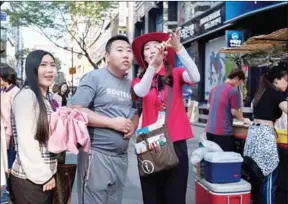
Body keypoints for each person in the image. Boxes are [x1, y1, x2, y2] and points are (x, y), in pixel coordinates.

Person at [132, 28, 200, 204]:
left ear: (164, 51)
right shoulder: (139, 79)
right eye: (147, 48)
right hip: (150, 144)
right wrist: (153, 67)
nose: (152, 49)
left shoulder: (176, 73)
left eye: (156, 45)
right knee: (152, 197)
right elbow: (141, 91)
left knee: (176, 197)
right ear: (143, 56)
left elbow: (196, 76)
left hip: (176, 142)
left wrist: (179, 49)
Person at [72, 35, 139, 204]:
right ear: (107, 56)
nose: (126, 55)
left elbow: (134, 112)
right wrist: (112, 123)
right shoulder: (94, 77)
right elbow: (77, 110)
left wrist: (133, 125)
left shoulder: (131, 85)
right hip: (96, 154)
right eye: (120, 50)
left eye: (129, 51)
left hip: (121, 157)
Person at [10, 50, 58, 204]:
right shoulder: (27, 96)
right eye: (43, 65)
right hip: (31, 179)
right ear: (32, 68)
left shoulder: (45, 97)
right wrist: (44, 175)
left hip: (42, 176)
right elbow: (27, 142)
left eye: (52, 65)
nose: (49, 70)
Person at [243, 65, 288, 204]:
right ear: (276, 80)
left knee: (259, 180)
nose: (287, 83)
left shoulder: (262, 91)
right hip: (264, 138)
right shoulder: (275, 93)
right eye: (286, 80)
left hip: (253, 137)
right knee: (269, 179)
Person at [206, 68, 251, 151]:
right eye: (240, 82)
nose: (238, 85)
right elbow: (234, 111)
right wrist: (243, 119)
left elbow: (209, 107)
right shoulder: (233, 91)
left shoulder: (214, 89)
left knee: (212, 158)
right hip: (222, 132)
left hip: (209, 130)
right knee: (224, 158)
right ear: (237, 78)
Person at [0, 65, 20, 204]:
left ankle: (10, 194)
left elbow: (15, 117)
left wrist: (10, 135)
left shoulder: (16, 93)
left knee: (10, 166)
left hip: (12, 136)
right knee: (5, 165)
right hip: (3, 134)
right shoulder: (2, 91)